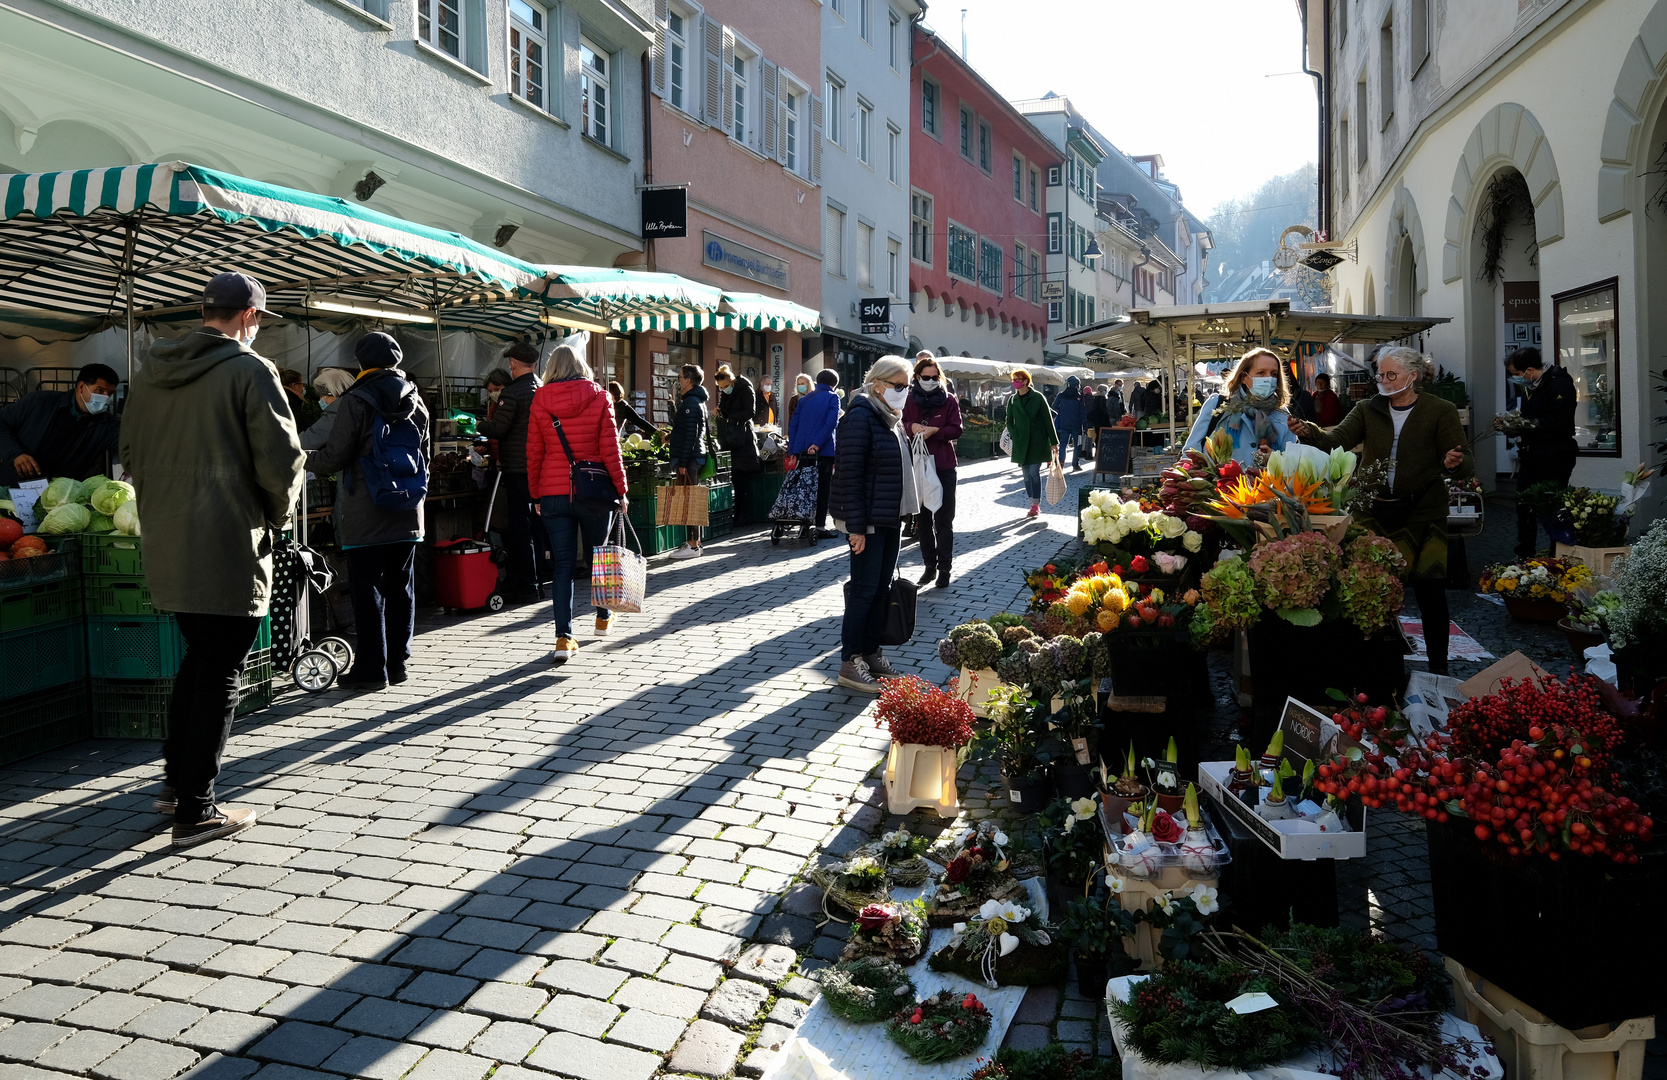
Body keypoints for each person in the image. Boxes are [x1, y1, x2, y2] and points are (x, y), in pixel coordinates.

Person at [120, 272, 304, 847]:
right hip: (229, 538)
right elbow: (282, 461)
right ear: (250, 315)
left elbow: (128, 451)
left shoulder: (151, 371)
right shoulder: (251, 370)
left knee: (200, 661)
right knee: (220, 670)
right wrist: (279, 518)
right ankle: (196, 807)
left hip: (169, 536)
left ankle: (177, 785)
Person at [1293, 346, 1470, 674]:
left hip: (1424, 516)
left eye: (1392, 375)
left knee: (1431, 594)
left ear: (1412, 376)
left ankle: (1438, 668)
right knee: (1370, 588)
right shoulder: (1366, 409)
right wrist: (1310, 431)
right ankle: (1376, 665)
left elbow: (1463, 461)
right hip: (1374, 512)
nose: (1384, 381)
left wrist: (1453, 462)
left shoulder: (1440, 410)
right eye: (1381, 375)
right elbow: (1338, 441)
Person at [305, 332, 430, 690]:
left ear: (362, 363)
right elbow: (423, 456)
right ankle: (399, 663)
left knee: (367, 589)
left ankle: (372, 669)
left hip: (365, 508)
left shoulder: (355, 400)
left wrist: (301, 458)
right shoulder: (416, 400)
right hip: (408, 508)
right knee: (401, 587)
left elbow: (335, 456)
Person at [527, 345, 630, 661]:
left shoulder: (540, 400)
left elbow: (534, 452)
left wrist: (535, 495)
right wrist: (622, 490)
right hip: (593, 493)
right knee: (599, 556)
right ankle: (602, 618)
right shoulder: (600, 397)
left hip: (553, 493)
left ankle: (563, 639)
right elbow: (611, 449)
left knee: (563, 565)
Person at [830, 356, 919, 693]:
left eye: (906, 386)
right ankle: (850, 660)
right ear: (878, 385)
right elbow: (850, 476)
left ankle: (871, 651)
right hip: (866, 520)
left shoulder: (889, 418)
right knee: (864, 591)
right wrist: (855, 527)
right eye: (899, 386)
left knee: (880, 589)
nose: (904, 392)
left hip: (888, 516)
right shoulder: (861, 417)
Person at [478, 343, 544, 603]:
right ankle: (538, 582)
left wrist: (476, 424)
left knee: (520, 529)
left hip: (518, 469)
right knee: (537, 529)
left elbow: (498, 429)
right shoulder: (542, 389)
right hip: (539, 470)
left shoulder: (514, 393)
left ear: (514, 365)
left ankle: (526, 585)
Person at [1504, 346, 1578, 557]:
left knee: (1551, 505)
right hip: (1532, 455)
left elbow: (1560, 420)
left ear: (1528, 369)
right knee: (1524, 504)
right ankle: (1525, 551)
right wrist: (1513, 426)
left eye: (1517, 374)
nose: (1516, 379)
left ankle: (1558, 552)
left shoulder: (1559, 383)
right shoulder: (1532, 385)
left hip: (1555, 455)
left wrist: (1528, 424)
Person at [0, 362, 122, 487]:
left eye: (110, 393)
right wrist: (16, 454)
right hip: (13, 484)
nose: (105, 398)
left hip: (59, 495)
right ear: (81, 387)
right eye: (100, 391)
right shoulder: (40, 402)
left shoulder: (106, 425)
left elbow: (130, 440)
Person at [902, 354, 962, 588]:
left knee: (944, 520)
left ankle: (944, 569)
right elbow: (900, 424)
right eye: (926, 377)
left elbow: (956, 429)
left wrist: (935, 431)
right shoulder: (908, 400)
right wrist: (911, 427)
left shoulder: (949, 400)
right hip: (917, 465)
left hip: (943, 466)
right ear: (917, 377)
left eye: (935, 377)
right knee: (923, 520)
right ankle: (929, 567)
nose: (930, 380)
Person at [1183, 347, 1298, 467]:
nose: (1268, 378)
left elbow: (1292, 464)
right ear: (1244, 377)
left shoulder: (1282, 415)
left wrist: (1275, 459)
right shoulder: (1219, 405)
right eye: (1261, 373)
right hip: (1220, 484)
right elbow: (1191, 452)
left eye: (1273, 374)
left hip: (1264, 484)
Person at [787, 368, 841, 538]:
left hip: (802, 451)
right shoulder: (833, 397)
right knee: (823, 488)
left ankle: (804, 522)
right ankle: (820, 526)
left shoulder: (804, 399)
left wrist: (793, 450)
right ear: (833, 384)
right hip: (822, 450)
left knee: (805, 486)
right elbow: (831, 422)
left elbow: (793, 424)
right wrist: (817, 444)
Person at [667, 365, 711, 559]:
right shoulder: (695, 401)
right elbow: (686, 431)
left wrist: (683, 462)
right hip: (693, 456)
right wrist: (670, 436)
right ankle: (696, 543)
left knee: (689, 501)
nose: (678, 381)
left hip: (689, 458)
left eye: (680, 377)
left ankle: (693, 545)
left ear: (688, 381)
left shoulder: (691, 403)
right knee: (691, 499)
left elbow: (691, 436)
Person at [1003, 368, 1059, 519]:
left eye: (1017, 380)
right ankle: (1031, 500)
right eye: (1013, 379)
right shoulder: (1013, 400)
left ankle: (1035, 504)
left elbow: (1048, 421)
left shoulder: (1038, 397)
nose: (1015, 382)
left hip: (1037, 441)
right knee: (1026, 475)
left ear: (1026, 381)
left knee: (1034, 473)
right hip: (1021, 443)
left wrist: (1054, 442)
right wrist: (1015, 435)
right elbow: (1008, 421)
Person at [713, 365, 761, 518]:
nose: (724, 389)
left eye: (726, 386)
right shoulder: (726, 393)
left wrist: (732, 417)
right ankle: (739, 513)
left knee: (741, 478)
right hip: (730, 437)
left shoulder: (745, 389)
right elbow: (724, 408)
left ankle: (744, 514)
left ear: (732, 380)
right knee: (735, 476)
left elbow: (750, 412)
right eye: (721, 388)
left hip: (742, 438)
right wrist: (719, 411)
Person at [300, 367, 359, 452]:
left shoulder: (335, 414)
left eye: (322, 396)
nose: (320, 400)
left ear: (333, 393)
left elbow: (309, 440)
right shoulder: (355, 407)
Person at [1054, 375, 1087, 471]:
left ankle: (1060, 462)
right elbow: (1083, 412)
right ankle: (1075, 464)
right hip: (1076, 424)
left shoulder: (1061, 395)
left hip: (1064, 423)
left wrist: (1063, 410)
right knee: (1077, 445)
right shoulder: (1079, 397)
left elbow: (1054, 407)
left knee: (1063, 444)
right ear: (1077, 385)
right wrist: (1085, 426)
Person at [279, 368, 323, 433]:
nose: (303, 388)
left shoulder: (281, 397)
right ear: (294, 385)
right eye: (302, 385)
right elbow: (299, 426)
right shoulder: (292, 401)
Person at [1085, 383, 1112, 460]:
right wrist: (1108, 415)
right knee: (1102, 437)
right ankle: (1101, 452)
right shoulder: (1102, 398)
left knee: (1097, 436)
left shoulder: (1095, 398)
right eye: (1105, 390)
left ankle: (1097, 452)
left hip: (1096, 421)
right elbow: (1102, 409)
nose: (1106, 392)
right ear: (1103, 390)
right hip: (1102, 420)